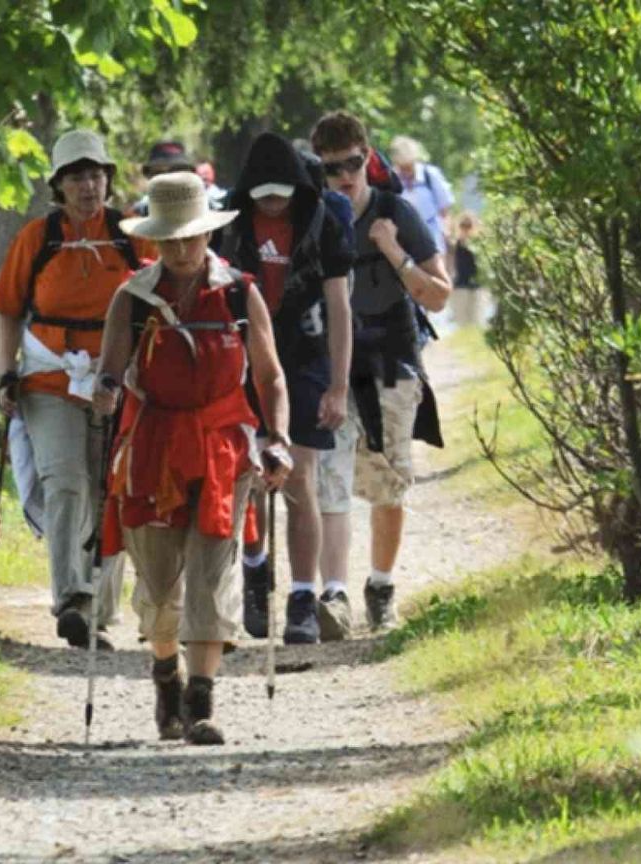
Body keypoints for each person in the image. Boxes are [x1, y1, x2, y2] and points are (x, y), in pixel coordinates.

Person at [93, 171, 294, 745]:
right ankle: (166, 678)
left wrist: (276, 438)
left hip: (221, 448)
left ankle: (201, 703)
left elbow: (270, 374)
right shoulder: (132, 297)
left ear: (207, 235)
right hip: (153, 448)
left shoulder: (238, 292)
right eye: (170, 239)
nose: (181, 250)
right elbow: (111, 368)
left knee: (213, 572)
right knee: (159, 587)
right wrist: (105, 392)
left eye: (191, 238)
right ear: (154, 239)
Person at [0, 128, 156, 649]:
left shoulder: (132, 235)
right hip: (48, 379)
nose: (89, 186)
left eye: (96, 174)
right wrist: (5, 372)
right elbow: (7, 309)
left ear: (108, 179)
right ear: (59, 186)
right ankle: (72, 599)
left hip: (116, 378)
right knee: (65, 480)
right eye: (77, 177)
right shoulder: (37, 239)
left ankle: (100, 609)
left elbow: (160, 298)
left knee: (110, 488)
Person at [310, 112, 452, 635]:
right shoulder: (316, 217)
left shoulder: (398, 212)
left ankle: (380, 586)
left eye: (353, 162)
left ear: (368, 157)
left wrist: (393, 252)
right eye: (332, 168)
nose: (345, 175)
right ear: (320, 171)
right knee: (329, 481)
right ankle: (333, 595)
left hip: (392, 362)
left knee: (388, 483)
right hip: (329, 367)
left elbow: (438, 296)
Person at [213, 133, 354, 643]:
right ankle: (255, 567)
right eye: (264, 192)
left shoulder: (323, 223)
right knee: (247, 476)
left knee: (299, 478)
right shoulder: (228, 228)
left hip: (305, 358)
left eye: (282, 191)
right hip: (242, 359)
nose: (273, 201)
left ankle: (301, 596)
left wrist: (338, 386)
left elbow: (340, 307)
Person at [388, 135, 455, 255]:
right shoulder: (391, 179)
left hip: (432, 238)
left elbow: (444, 209)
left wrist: (446, 230)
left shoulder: (430, 175)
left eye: (409, 167)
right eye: (402, 167)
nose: (406, 172)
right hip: (403, 242)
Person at [449, 212, 483, 327]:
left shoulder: (479, 243)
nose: (466, 228)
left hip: (476, 283)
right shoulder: (456, 243)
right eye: (463, 225)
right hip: (460, 284)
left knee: (476, 318)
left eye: (468, 225)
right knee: (461, 320)